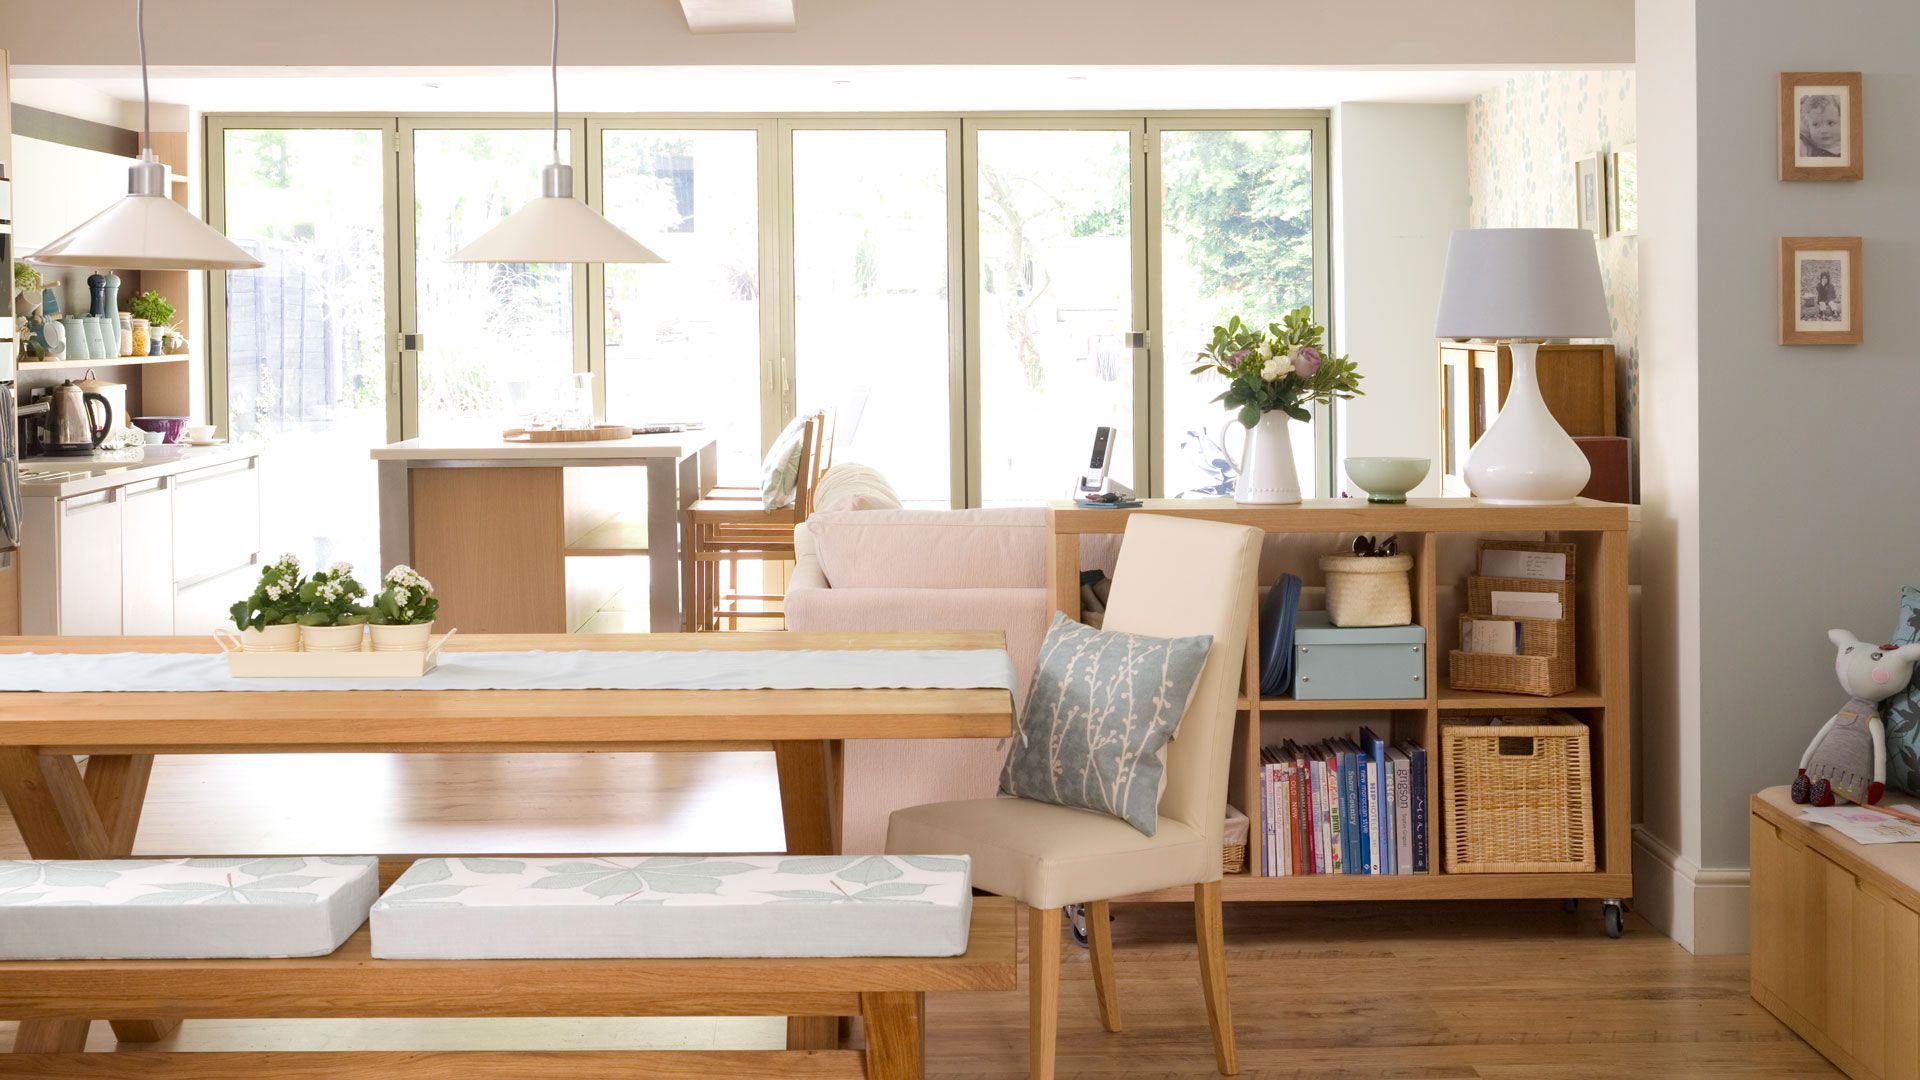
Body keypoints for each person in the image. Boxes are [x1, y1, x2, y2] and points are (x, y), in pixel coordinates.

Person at [1799, 94, 1843, 158]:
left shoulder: (1848, 146)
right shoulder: (1806, 148)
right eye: (1815, 124)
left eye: (1830, 123)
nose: (1823, 131)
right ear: (1808, 126)